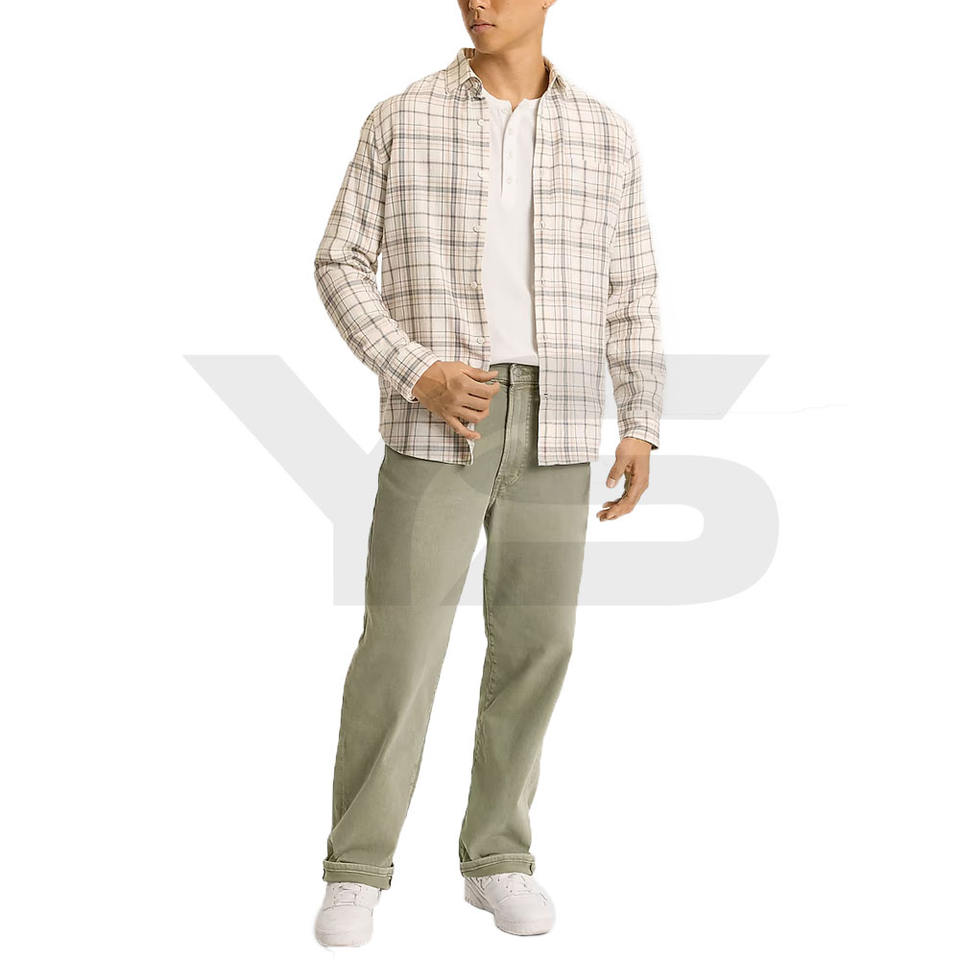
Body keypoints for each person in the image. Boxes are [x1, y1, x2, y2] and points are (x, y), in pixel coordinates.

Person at [312, 0, 665, 946]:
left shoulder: (605, 133)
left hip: (562, 417)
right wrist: (414, 368)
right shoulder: (402, 116)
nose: (481, 1)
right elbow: (339, 261)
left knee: (539, 646)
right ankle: (357, 869)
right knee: (400, 648)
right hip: (440, 418)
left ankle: (498, 857)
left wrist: (641, 421)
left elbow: (631, 289)